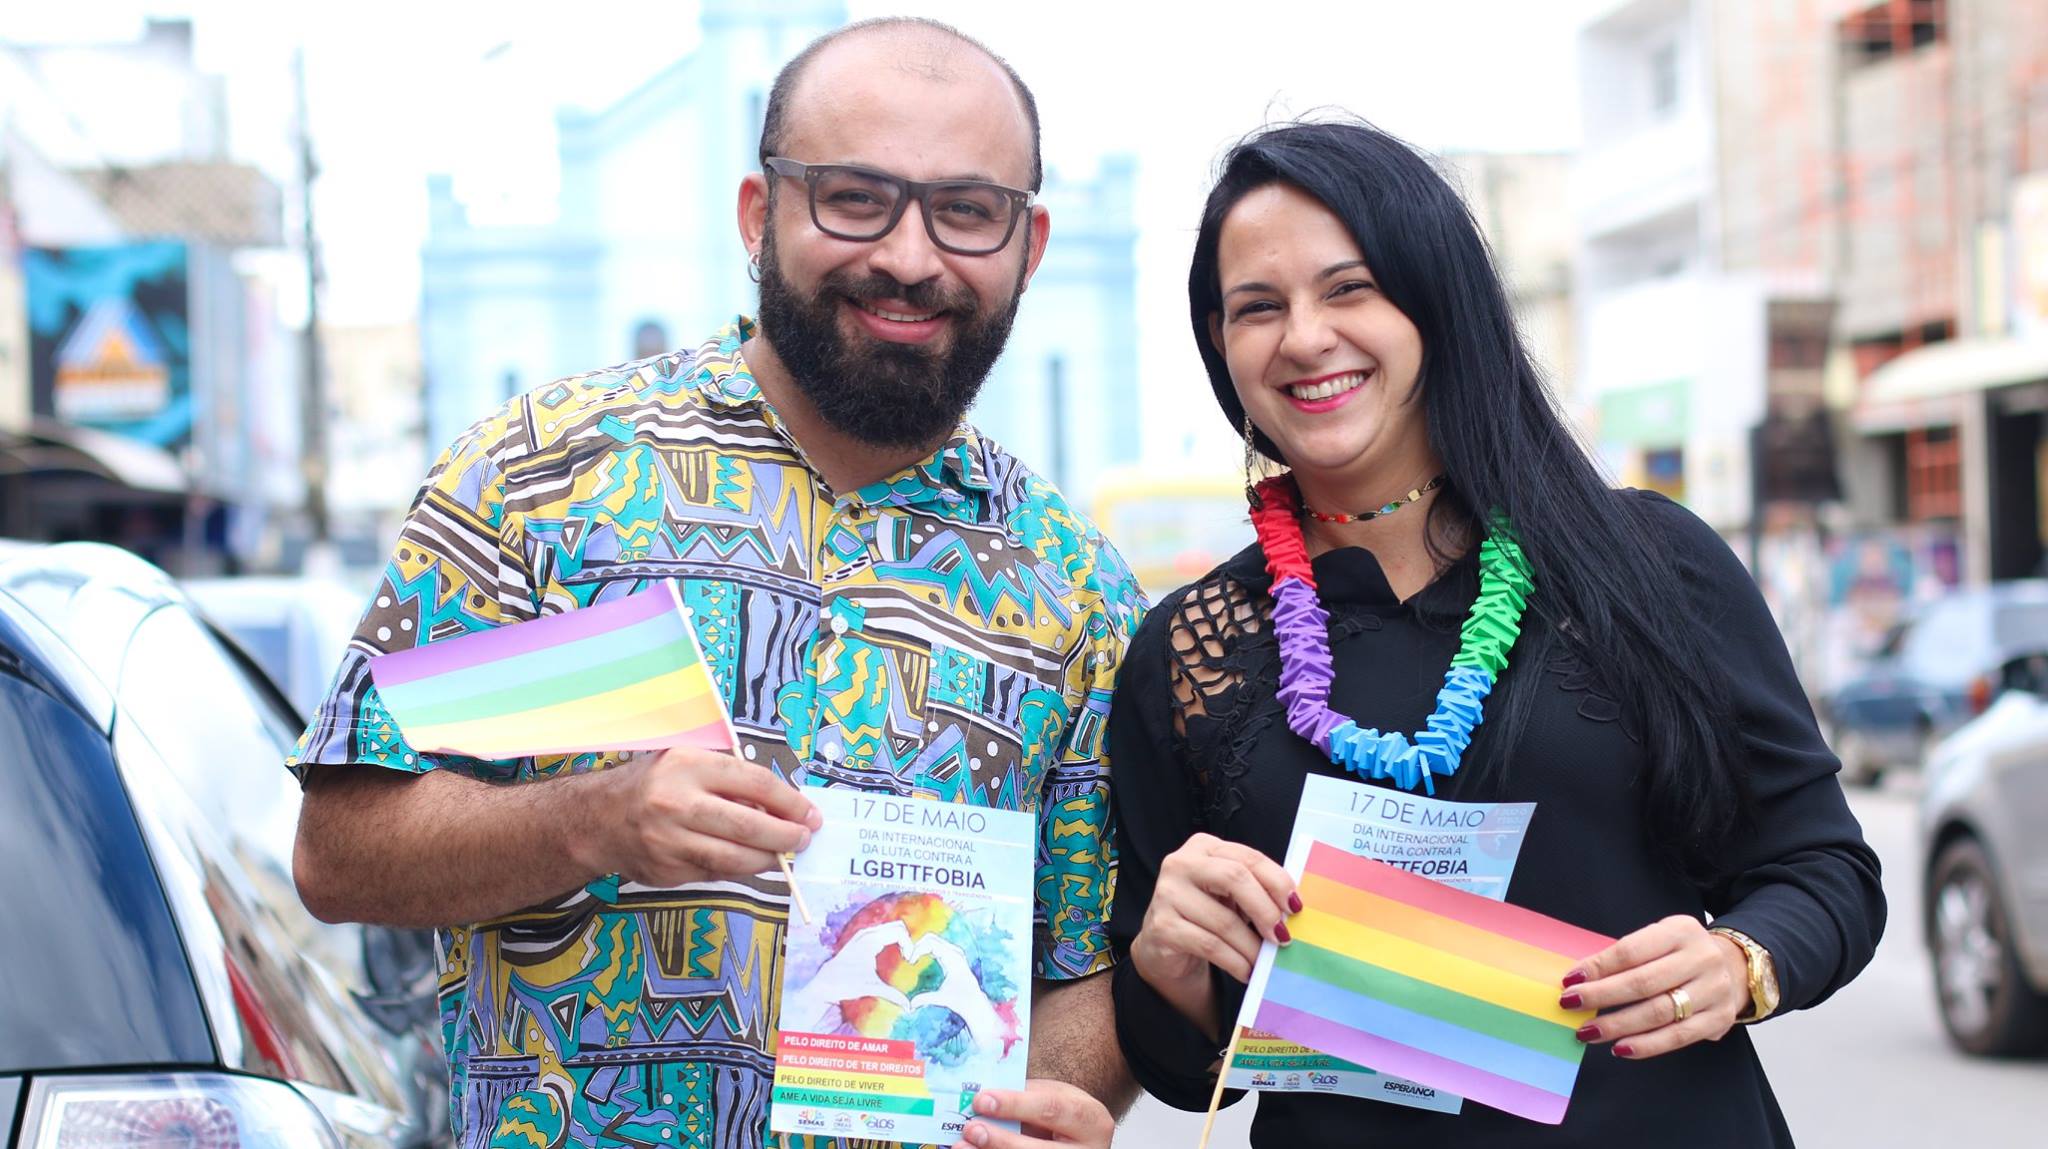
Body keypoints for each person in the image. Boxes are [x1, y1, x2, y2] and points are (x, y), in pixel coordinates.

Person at [289, 19, 1143, 1149]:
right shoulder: (543, 482)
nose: (909, 256)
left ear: (1028, 246)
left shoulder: (1076, 594)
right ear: (758, 214)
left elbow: (1087, 962)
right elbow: (340, 854)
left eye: (966, 211)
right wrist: (592, 819)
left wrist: (1047, 1109)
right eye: (854, 198)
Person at [1105, 120, 1885, 1146]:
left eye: (1348, 289)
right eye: (1258, 307)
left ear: (1434, 300)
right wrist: (1167, 961)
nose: (1304, 337)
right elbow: (1183, 1068)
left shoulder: (1648, 564)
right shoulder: (1190, 653)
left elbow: (1824, 870)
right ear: (1220, 342)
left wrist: (1741, 962)